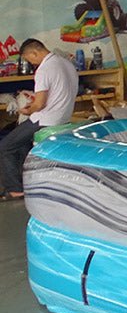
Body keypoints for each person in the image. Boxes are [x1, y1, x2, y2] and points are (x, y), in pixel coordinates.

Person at [0, 39, 79, 202]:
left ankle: (14, 190)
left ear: (34, 53)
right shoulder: (66, 63)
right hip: (63, 117)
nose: (31, 63)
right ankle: (26, 183)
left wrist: (26, 109)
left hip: (46, 119)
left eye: (30, 59)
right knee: (21, 143)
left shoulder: (44, 69)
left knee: (5, 147)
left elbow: (40, 103)